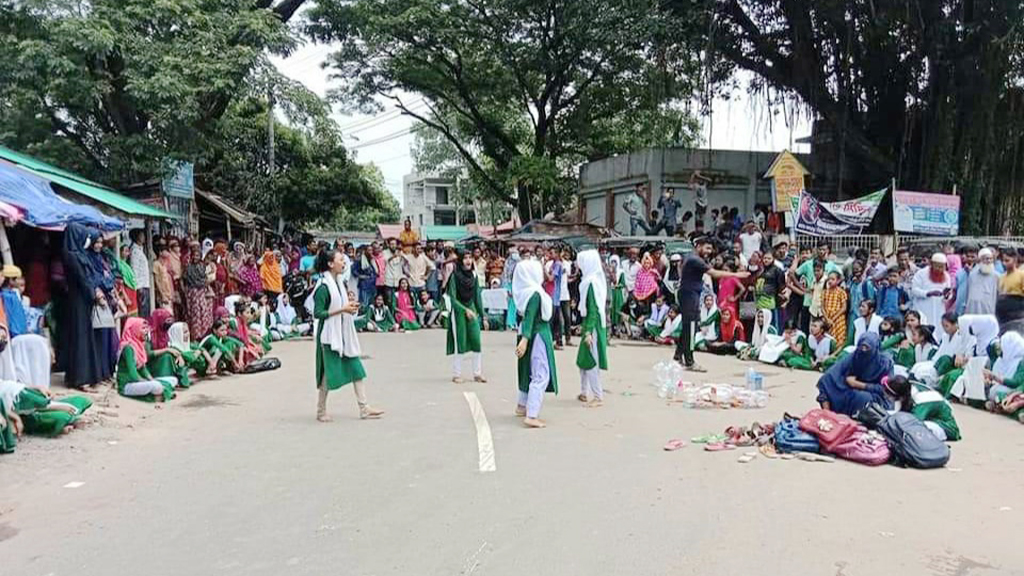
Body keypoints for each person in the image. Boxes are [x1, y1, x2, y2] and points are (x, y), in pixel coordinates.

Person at [311, 248, 383, 422]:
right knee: (328, 374)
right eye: (341, 260)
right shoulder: (323, 287)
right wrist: (342, 309)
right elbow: (318, 313)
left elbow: (340, 306)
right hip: (329, 335)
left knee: (357, 369)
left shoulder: (339, 283)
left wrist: (349, 307)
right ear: (330, 264)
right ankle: (321, 410)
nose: (344, 263)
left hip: (343, 333)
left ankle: (364, 407)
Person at [674, 237, 748, 372]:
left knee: (687, 327)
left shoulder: (691, 258)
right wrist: (737, 275)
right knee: (691, 328)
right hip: (689, 295)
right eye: (707, 248)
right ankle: (690, 361)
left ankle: (678, 356)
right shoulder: (695, 260)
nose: (709, 251)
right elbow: (714, 273)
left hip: (689, 293)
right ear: (698, 246)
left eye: (710, 249)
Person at [512, 259, 557, 428]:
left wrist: (523, 338)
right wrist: (525, 340)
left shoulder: (524, 292)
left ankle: (522, 405)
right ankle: (532, 414)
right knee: (540, 373)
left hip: (527, 332)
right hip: (537, 334)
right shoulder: (535, 293)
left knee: (526, 369)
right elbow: (531, 317)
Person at [816, 333, 893, 416]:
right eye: (861, 347)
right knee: (827, 381)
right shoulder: (854, 356)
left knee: (862, 397)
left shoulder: (885, 364)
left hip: (875, 396)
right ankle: (828, 415)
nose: (863, 350)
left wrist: (858, 384)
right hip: (851, 388)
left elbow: (887, 389)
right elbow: (830, 375)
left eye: (867, 348)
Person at [445, 250, 486, 382]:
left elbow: (477, 296)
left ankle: (477, 374)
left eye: (470, 258)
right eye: (465, 258)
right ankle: (457, 374)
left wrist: (483, 316)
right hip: (458, 312)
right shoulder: (454, 276)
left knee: (476, 341)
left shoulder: (474, 275)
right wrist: (464, 310)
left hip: (472, 309)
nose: (468, 261)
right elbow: (452, 298)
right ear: (460, 261)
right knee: (460, 342)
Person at [575, 250, 608, 407]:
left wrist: (588, 331)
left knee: (591, 361)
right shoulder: (591, 281)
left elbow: (593, 310)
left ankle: (598, 396)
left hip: (592, 326)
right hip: (589, 324)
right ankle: (583, 392)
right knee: (583, 360)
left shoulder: (591, 283)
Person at [884, 376, 961, 441]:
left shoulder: (921, 400)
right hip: (927, 417)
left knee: (913, 430)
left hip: (944, 426)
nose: (886, 397)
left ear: (900, 396)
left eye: (889, 395)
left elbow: (912, 424)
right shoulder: (908, 388)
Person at [116, 318, 176, 402]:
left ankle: (158, 394)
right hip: (127, 384)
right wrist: (147, 382)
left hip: (138, 381)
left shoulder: (139, 345)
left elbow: (143, 369)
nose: (146, 331)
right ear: (135, 329)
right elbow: (133, 374)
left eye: (146, 328)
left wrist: (151, 379)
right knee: (157, 386)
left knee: (173, 380)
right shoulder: (128, 348)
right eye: (143, 328)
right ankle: (155, 397)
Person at [184, 242, 215, 341]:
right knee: (195, 314)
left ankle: (204, 334)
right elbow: (186, 279)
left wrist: (205, 282)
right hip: (193, 293)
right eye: (194, 255)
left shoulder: (204, 266)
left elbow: (209, 277)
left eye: (198, 255)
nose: (195, 257)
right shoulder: (188, 267)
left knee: (204, 312)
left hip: (202, 292)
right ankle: (195, 335)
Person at [911, 253, 952, 324]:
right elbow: (914, 290)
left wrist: (947, 296)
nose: (939, 269)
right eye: (937, 266)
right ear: (932, 264)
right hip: (923, 308)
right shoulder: (921, 273)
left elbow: (948, 293)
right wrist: (928, 293)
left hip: (938, 310)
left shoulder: (946, 276)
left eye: (942, 267)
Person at [962, 247, 999, 315]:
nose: (989, 261)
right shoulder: (972, 275)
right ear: (980, 260)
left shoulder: (996, 276)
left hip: (988, 311)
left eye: (991, 259)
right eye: (986, 258)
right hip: (972, 310)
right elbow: (968, 294)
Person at [820, 270, 848, 349]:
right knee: (828, 338)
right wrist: (827, 319)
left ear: (838, 280)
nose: (830, 281)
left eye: (833, 279)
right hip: (827, 318)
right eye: (829, 279)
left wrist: (833, 318)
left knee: (839, 339)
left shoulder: (841, 292)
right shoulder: (825, 292)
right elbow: (822, 307)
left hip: (838, 319)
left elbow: (844, 307)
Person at [128, 229, 151, 315]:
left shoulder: (140, 250)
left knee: (146, 311)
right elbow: (135, 269)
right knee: (143, 311)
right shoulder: (135, 252)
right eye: (142, 235)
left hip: (145, 284)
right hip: (141, 286)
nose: (144, 237)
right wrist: (138, 287)